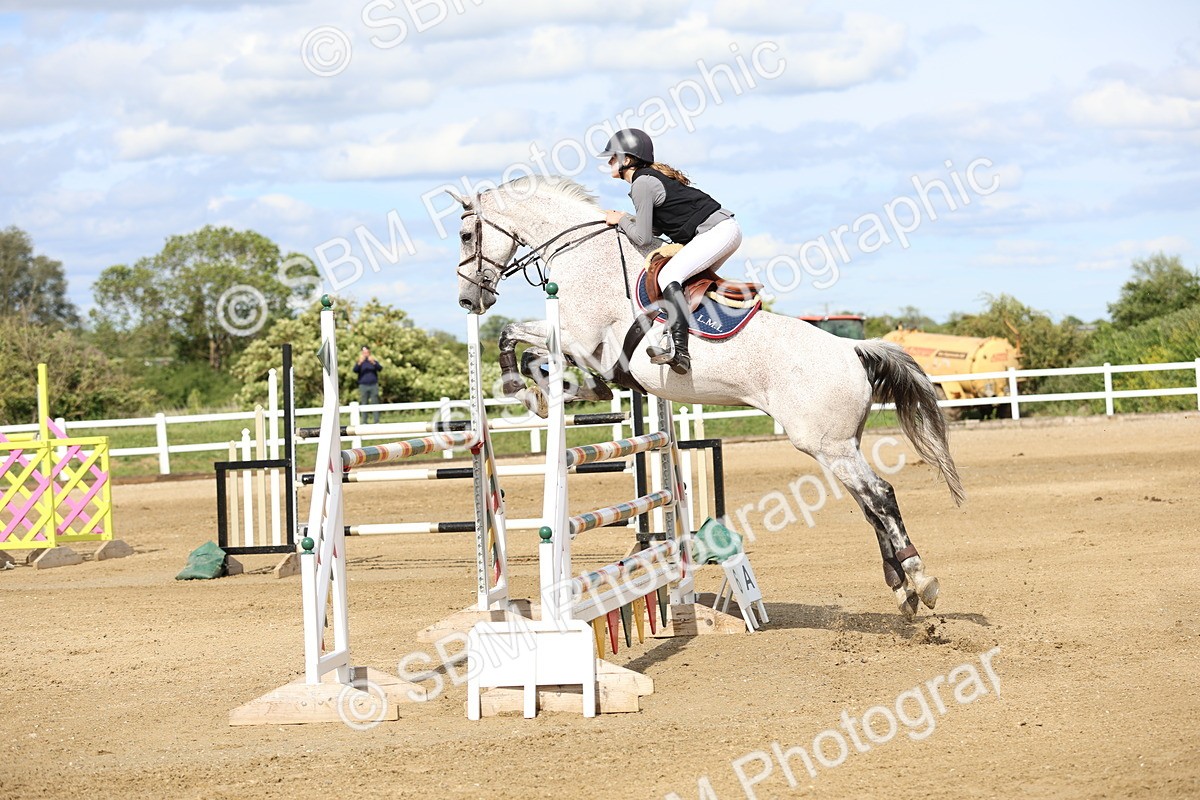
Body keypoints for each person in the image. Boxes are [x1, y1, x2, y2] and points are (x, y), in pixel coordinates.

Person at [600, 128, 742, 375]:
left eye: (613, 157)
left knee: (668, 277)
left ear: (628, 159)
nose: (610, 161)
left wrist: (621, 220)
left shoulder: (642, 183)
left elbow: (643, 239)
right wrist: (626, 218)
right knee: (684, 283)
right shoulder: (647, 179)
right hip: (722, 230)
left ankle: (680, 352)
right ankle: (701, 342)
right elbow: (653, 228)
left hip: (717, 232)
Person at [353, 346, 383, 423]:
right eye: (364, 352)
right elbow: (355, 370)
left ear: (369, 352)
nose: (365, 354)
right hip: (363, 385)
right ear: (362, 353)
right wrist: (359, 363)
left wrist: (373, 362)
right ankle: (364, 422)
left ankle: (376, 421)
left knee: (375, 402)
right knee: (364, 403)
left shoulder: (373, 361)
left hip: (373, 385)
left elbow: (380, 368)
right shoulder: (360, 362)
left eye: (367, 352)